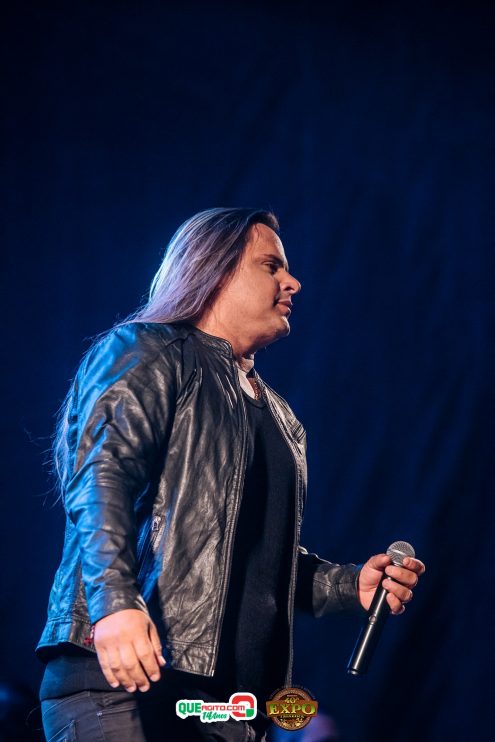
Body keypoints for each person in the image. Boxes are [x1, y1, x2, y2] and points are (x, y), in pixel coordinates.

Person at [37, 207, 425, 741]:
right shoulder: (150, 350)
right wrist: (115, 605)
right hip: (125, 676)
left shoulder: (281, 417)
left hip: (227, 707)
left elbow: (243, 556)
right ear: (215, 270)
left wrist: (347, 585)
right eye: (271, 265)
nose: (292, 282)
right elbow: (102, 478)